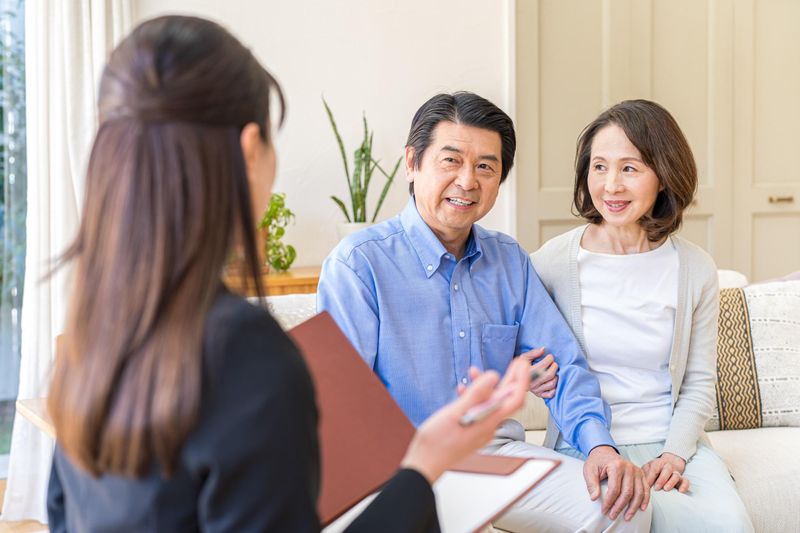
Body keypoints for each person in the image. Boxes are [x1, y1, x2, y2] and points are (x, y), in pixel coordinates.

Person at [44, 15, 533, 532]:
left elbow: (60, 516)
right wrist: (423, 467)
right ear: (248, 150)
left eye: (486, 166)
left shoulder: (92, 335)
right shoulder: (246, 351)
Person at [317, 92, 652, 532]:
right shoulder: (358, 264)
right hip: (404, 467)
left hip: (496, 457)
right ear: (412, 163)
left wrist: (599, 447)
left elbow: (563, 365)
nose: (467, 181)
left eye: (485, 167)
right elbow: (340, 406)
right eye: (451, 161)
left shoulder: (509, 261)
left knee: (624, 507)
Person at [529, 99, 754, 532]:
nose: (611, 185)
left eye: (629, 168)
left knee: (728, 524)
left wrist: (674, 455)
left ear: (663, 175)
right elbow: (521, 355)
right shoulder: (551, 264)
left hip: (672, 445)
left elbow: (698, 382)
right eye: (599, 167)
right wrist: (529, 373)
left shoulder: (695, 268)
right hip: (586, 447)